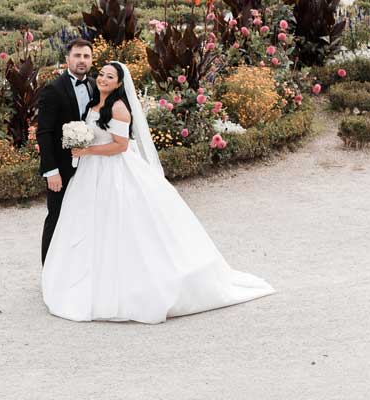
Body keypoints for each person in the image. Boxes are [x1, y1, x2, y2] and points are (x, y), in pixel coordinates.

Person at [42, 61, 275, 323]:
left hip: (113, 171)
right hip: (89, 174)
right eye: (102, 75)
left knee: (120, 225)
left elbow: (120, 146)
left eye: (110, 76)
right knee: (89, 224)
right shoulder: (94, 103)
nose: (104, 79)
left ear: (119, 84)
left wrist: (88, 150)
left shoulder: (119, 108)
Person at [36, 38, 94, 263]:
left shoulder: (93, 85)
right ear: (67, 59)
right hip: (61, 167)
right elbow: (44, 132)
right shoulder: (54, 89)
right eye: (77, 56)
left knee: (84, 217)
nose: (82, 60)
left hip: (90, 165)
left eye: (86, 56)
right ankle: (48, 271)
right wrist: (51, 171)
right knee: (57, 216)